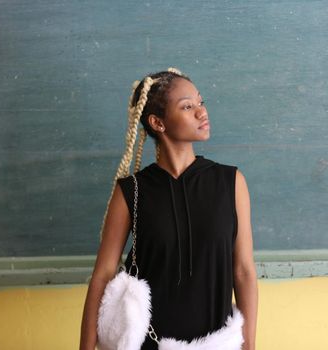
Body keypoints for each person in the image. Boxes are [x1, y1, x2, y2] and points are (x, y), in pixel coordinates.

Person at [80, 68, 258, 350]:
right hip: (146, 343)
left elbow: (244, 271)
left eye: (201, 102)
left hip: (217, 344)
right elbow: (102, 274)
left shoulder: (231, 182)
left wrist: (249, 347)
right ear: (158, 123)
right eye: (188, 106)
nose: (202, 112)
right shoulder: (132, 190)